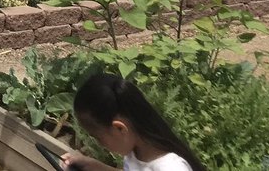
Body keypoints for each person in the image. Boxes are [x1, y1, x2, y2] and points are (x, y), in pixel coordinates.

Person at [62, 72, 206, 171]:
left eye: (99, 138)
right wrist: (93, 166)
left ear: (120, 128)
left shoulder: (170, 167)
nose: (100, 144)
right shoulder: (136, 152)